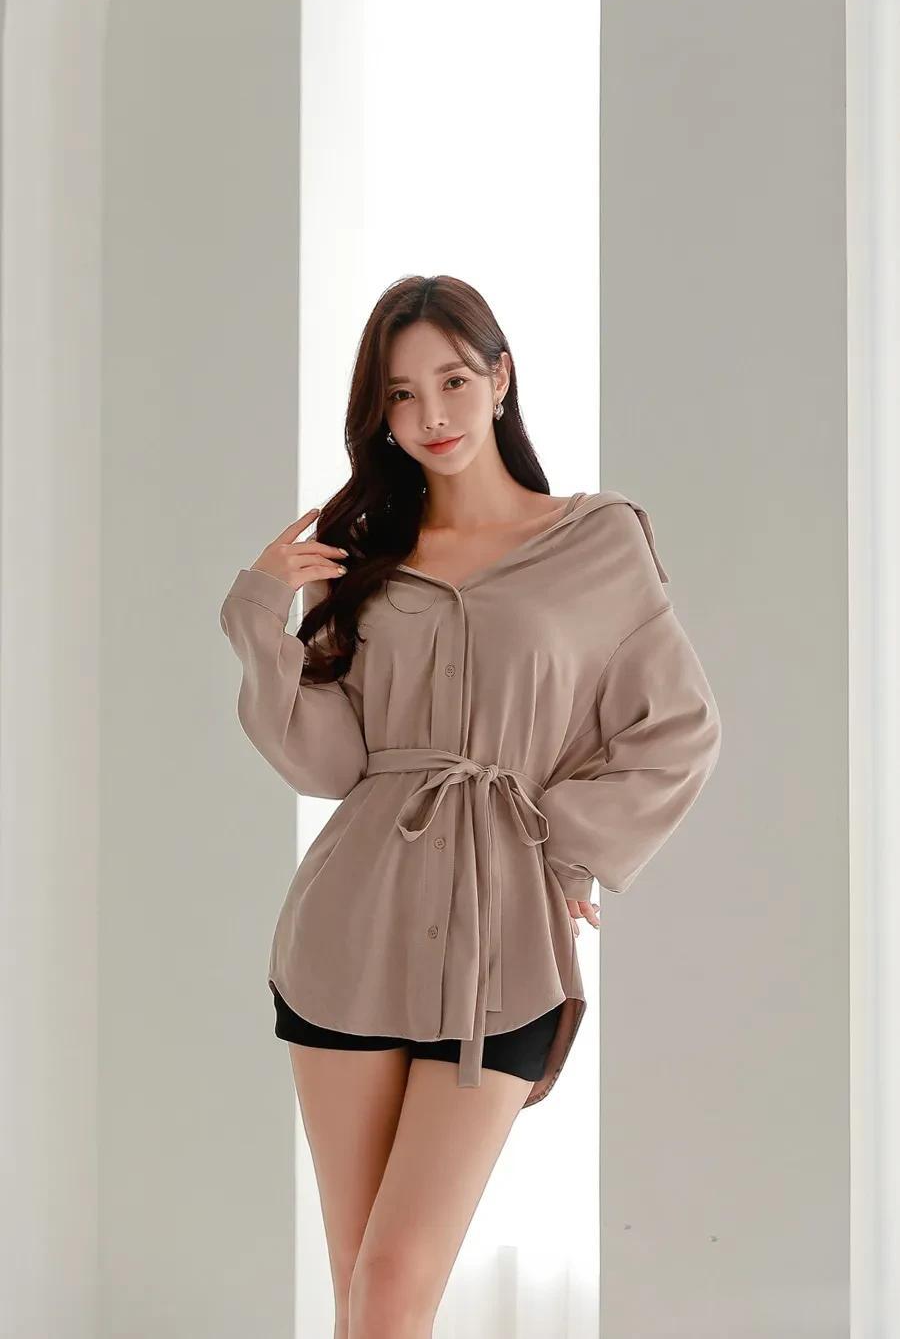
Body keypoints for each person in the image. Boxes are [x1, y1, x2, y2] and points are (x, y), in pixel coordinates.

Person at [219, 273, 722, 1339]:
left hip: (505, 945)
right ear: (381, 415)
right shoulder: (367, 558)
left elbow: (677, 727)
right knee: (362, 1286)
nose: (432, 415)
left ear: (500, 378)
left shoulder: (599, 540)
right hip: (351, 929)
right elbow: (329, 762)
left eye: (452, 380)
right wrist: (261, 612)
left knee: (394, 1284)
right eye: (401, 395)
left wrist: (565, 848)